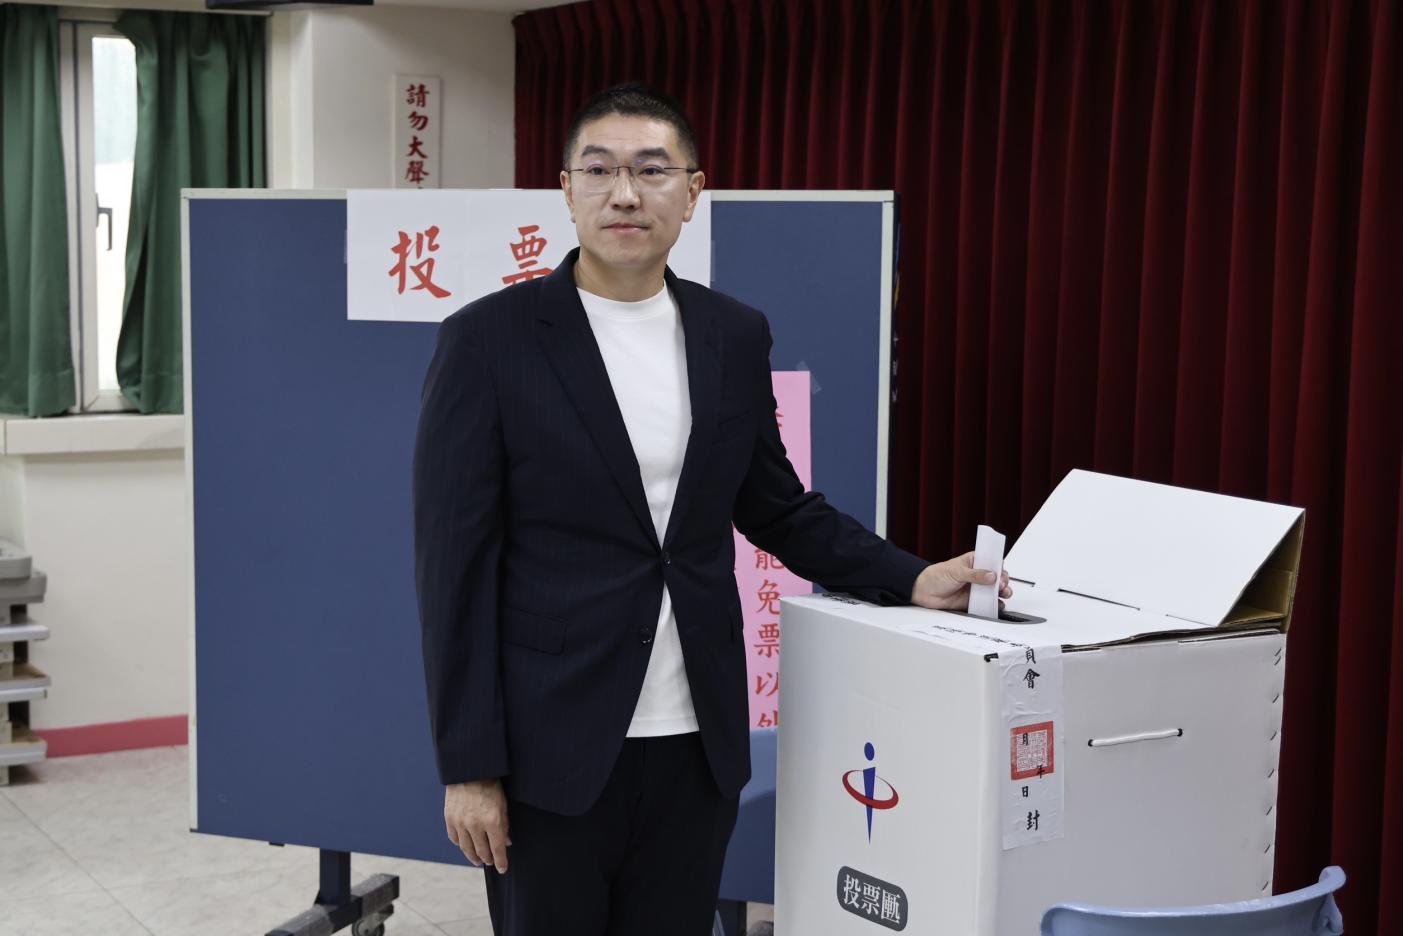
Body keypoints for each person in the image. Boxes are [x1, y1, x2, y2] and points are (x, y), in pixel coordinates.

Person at [412, 83, 1010, 936]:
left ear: (692, 192)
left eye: (652, 170)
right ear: (566, 189)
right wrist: (470, 767)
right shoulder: (487, 340)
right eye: (600, 170)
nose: (625, 193)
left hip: (696, 742)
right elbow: (453, 569)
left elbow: (777, 507)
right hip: (551, 744)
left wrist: (912, 577)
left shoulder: (731, 334)